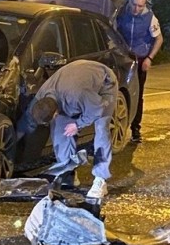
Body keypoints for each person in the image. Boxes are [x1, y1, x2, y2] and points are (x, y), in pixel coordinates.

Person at [26, 59, 118, 200]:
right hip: (77, 77)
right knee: (60, 129)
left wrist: (78, 124)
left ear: (55, 112)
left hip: (104, 84)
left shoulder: (77, 94)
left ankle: (100, 179)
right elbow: (27, 120)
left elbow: (96, 110)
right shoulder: (43, 94)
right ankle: (69, 172)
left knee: (102, 128)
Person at [114, 0, 163, 142]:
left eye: (140, 7)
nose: (136, 9)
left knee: (137, 94)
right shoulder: (121, 14)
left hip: (140, 60)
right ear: (130, 3)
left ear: (144, 6)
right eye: (134, 5)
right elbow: (112, 31)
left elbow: (159, 39)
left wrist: (149, 58)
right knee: (117, 92)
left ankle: (136, 129)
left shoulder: (150, 18)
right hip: (123, 59)